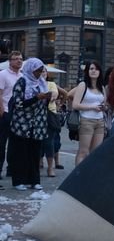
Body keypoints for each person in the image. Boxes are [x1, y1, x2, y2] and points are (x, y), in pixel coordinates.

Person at [8, 58, 49, 191]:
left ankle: (34, 181)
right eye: (37, 71)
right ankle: (19, 181)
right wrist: (36, 98)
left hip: (37, 124)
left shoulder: (42, 83)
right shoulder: (22, 82)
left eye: (40, 71)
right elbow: (18, 104)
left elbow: (43, 106)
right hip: (22, 124)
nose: (39, 74)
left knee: (35, 153)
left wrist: (47, 98)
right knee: (21, 153)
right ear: (30, 70)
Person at [73, 61, 106, 166]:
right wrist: (92, 107)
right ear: (87, 71)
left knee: (95, 152)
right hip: (86, 120)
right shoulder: (83, 85)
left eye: (96, 69)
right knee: (83, 151)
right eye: (91, 69)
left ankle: (90, 176)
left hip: (100, 121)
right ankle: (78, 176)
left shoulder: (102, 87)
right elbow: (75, 105)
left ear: (100, 72)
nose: (93, 71)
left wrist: (104, 107)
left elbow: (104, 103)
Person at [0, 50, 23, 183]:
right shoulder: (3, 74)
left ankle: (11, 169)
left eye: (20, 59)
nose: (18, 61)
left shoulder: (22, 76)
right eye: (15, 59)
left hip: (18, 114)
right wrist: (2, 111)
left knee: (15, 143)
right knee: (2, 143)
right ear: (10, 61)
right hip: (6, 112)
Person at [41, 68, 66, 177]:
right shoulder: (32, 83)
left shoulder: (51, 84)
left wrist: (59, 104)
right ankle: (39, 162)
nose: (42, 74)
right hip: (36, 115)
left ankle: (50, 167)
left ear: (47, 74)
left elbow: (53, 95)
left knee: (50, 142)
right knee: (37, 141)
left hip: (50, 114)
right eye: (40, 72)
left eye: (44, 72)